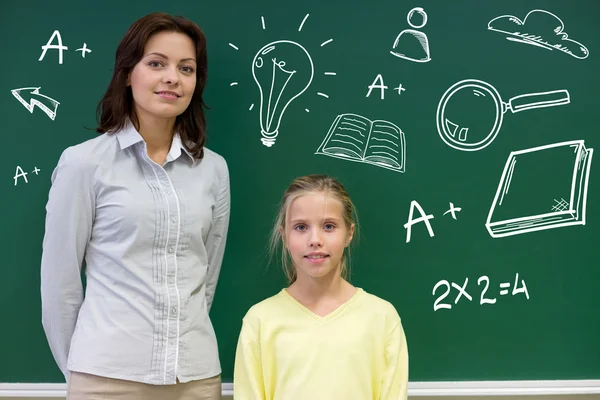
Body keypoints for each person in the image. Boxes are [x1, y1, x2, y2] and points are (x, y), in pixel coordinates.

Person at [40, 12, 230, 400]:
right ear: (128, 73)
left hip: (194, 379)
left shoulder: (213, 169)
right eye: (156, 63)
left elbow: (205, 275)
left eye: (186, 68)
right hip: (105, 378)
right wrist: (82, 370)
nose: (172, 78)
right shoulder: (85, 163)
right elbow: (59, 284)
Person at [233, 174, 408, 399]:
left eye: (328, 226)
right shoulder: (259, 322)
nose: (315, 240)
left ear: (349, 233)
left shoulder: (382, 318)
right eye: (301, 227)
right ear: (284, 236)